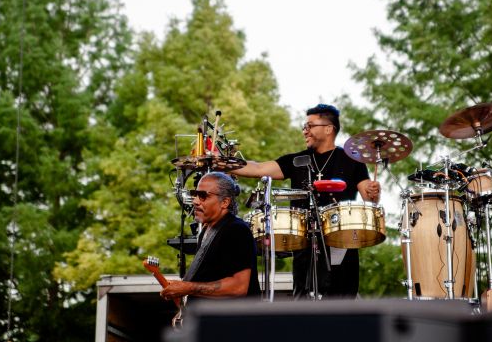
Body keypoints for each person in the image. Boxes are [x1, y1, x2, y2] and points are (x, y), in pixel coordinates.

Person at [233, 103, 380, 299]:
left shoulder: (351, 159)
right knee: (304, 300)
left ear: (328, 129)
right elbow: (258, 168)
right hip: (305, 244)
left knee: (342, 302)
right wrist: (223, 164)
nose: (305, 131)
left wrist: (373, 192)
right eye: (305, 126)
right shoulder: (297, 160)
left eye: (310, 126)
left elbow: (369, 198)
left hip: (341, 240)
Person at [160, 172, 261, 303]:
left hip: (233, 321)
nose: (195, 201)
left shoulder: (236, 229)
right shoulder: (206, 231)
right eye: (195, 194)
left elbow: (238, 287)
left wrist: (188, 288)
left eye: (203, 196)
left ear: (224, 202)